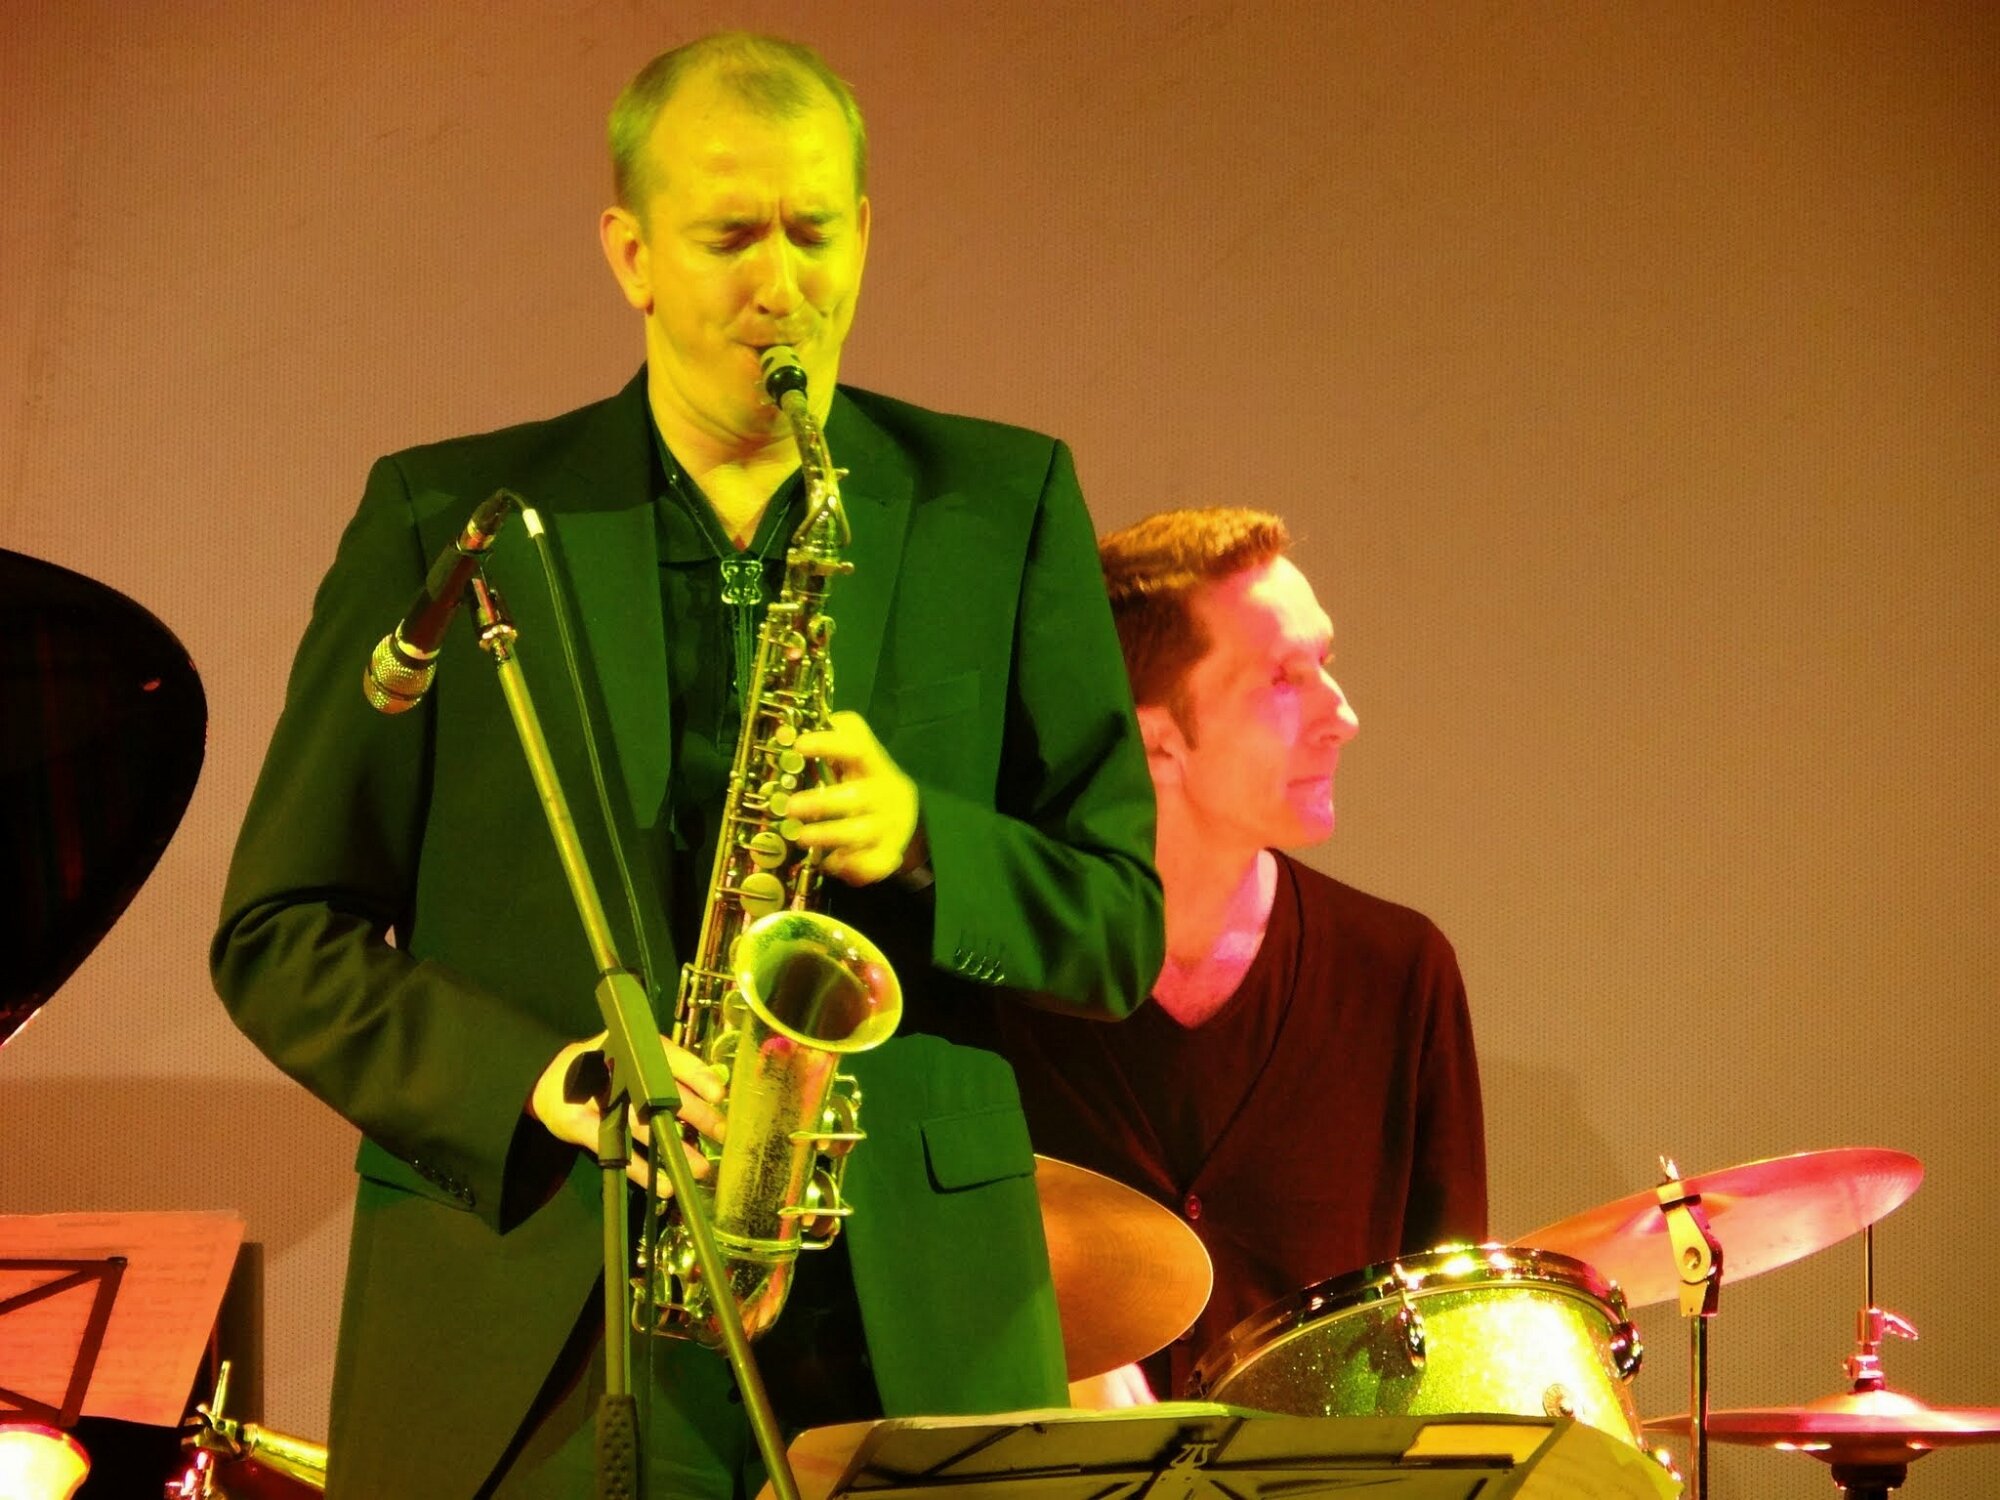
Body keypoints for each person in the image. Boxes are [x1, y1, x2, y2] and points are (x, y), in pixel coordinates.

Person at [211, 33, 1162, 1499]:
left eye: (814, 232)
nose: (781, 285)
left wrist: (926, 836)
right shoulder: (448, 518)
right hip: (533, 1307)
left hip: (903, 1328)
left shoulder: (1004, 500)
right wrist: (545, 1081)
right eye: (729, 238)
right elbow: (280, 935)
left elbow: (1119, 927)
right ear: (632, 254)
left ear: (866, 233)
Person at [994, 507, 1486, 1401]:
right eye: (1284, 679)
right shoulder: (991, 962)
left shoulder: (1399, 971)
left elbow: (1452, 1340)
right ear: (1155, 737)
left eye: (1325, 663)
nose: (1344, 717)